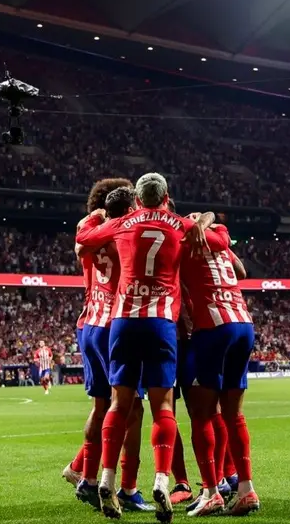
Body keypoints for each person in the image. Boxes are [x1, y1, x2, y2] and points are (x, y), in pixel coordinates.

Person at [75, 172, 211, 522]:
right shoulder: (179, 224)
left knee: (118, 404)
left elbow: (84, 236)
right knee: (162, 403)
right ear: (166, 196)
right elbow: (219, 241)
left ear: (138, 198)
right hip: (161, 322)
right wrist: (202, 221)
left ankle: (106, 478)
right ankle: (163, 482)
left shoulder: (123, 222)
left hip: (121, 322)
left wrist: (98, 215)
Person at [68, 180, 155, 513]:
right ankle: (128, 488)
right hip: (116, 327)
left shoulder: (90, 235)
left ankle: (87, 477)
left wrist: (94, 217)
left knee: (101, 406)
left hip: (90, 322)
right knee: (133, 410)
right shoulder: (126, 236)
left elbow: (80, 245)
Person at [178, 222, 259, 516]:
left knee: (202, 416)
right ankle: (246, 490)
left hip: (212, 327)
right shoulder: (221, 241)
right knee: (234, 415)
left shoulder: (182, 245)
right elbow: (241, 271)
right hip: (243, 323)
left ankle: (212, 491)